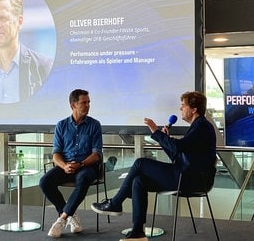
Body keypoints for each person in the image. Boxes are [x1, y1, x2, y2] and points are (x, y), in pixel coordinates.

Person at [91, 91, 217, 241]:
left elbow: (179, 148)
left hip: (192, 180)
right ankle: (137, 232)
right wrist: (165, 139)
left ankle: (116, 203)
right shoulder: (198, 127)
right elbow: (176, 156)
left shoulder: (202, 126)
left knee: (140, 163)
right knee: (139, 180)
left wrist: (156, 132)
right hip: (185, 175)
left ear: (194, 109)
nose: (180, 109)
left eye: (183, 105)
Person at [39, 89, 103, 238]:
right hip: (65, 166)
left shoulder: (94, 125)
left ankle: (61, 220)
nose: (87, 105)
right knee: (45, 182)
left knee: (83, 178)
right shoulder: (61, 125)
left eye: (88, 102)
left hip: (86, 166)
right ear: (73, 105)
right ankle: (70, 214)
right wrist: (64, 166)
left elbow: (96, 154)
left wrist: (80, 164)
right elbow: (56, 154)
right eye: (84, 103)